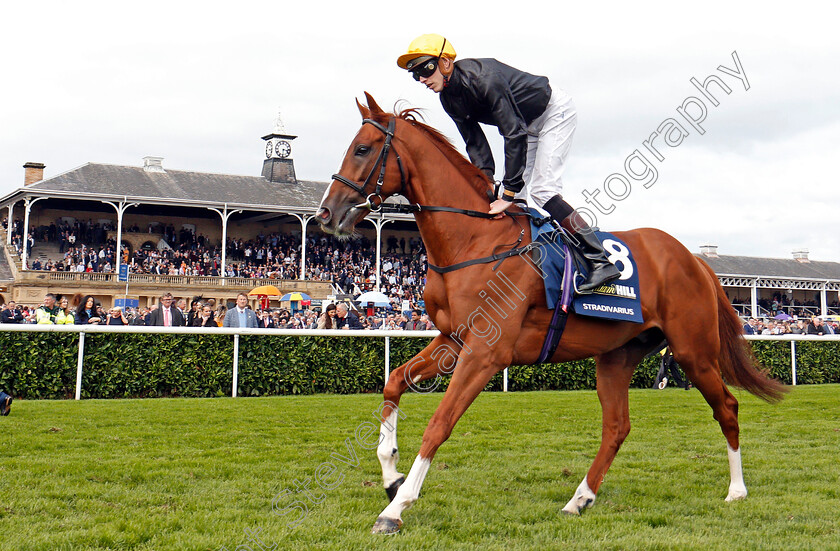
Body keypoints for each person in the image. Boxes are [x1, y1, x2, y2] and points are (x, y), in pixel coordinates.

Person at [397, 34, 620, 292]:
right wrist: (487, 185)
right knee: (517, 203)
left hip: (552, 114)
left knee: (542, 191)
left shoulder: (484, 79)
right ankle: (525, 267)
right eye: (415, 75)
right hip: (525, 125)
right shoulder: (448, 98)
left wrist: (509, 191)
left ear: (446, 62)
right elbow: (475, 144)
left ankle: (599, 260)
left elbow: (512, 132)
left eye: (425, 69)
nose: (422, 79)